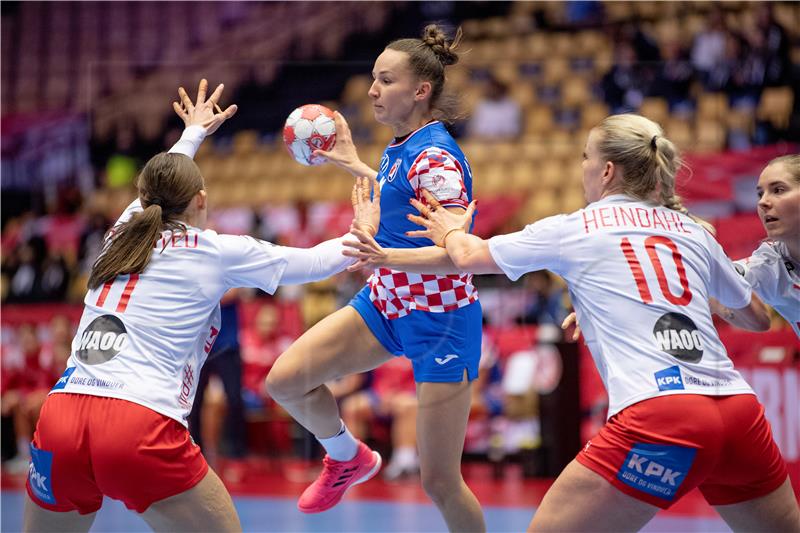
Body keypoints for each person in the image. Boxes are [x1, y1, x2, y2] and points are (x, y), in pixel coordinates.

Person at [343, 114, 800, 531]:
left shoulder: (577, 226)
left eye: (586, 157)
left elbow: (466, 258)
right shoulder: (692, 231)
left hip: (662, 413)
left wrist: (450, 230)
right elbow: (756, 318)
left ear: (606, 171)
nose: (581, 166)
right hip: (739, 411)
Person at [23, 79, 381, 533]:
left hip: (62, 414)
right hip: (138, 421)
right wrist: (364, 226)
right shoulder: (212, 250)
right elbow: (315, 263)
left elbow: (158, 186)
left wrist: (193, 132)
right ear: (202, 201)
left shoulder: (118, 233)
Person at [265, 25, 486, 531]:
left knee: (440, 482)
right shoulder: (400, 146)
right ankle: (347, 457)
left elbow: (459, 255)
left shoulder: (437, 159)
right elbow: (396, 195)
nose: (371, 90)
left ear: (420, 91)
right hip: (386, 305)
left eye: (385, 81)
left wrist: (382, 255)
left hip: (441, 322)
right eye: (372, 79)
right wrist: (352, 165)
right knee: (286, 381)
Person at [715, 155, 799, 336]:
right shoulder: (770, 263)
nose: (763, 202)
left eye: (778, 190)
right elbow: (718, 278)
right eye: (760, 194)